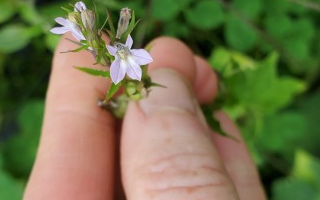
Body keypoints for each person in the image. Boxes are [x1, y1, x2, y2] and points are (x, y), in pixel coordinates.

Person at [23, 34, 267, 200]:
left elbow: (134, 65)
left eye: (122, 50)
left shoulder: (133, 61)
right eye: (117, 52)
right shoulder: (121, 66)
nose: (120, 53)